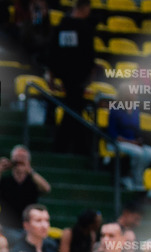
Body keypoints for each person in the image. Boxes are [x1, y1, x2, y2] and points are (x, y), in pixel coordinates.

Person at [49, 0, 95, 152]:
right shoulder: (84, 29)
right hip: (77, 77)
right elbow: (89, 56)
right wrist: (89, 76)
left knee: (74, 109)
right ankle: (64, 146)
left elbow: (53, 53)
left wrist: (52, 75)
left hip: (65, 75)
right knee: (73, 111)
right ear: (85, 8)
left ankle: (72, 146)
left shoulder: (62, 26)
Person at [0, 145, 51, 233]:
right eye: (17, 157)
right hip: (6, 226)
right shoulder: (4, 181)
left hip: (27, 228)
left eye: (23, 157)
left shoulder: (33, 182)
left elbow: (46, 189)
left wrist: (30, 171)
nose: (20, 160)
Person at [108, 88, 151, 192]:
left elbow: (137, 131)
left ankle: (133, 176)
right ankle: (134, 179)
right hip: (118, 142)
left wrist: (139, 141)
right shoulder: (115, 109)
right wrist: (131, 142)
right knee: (137, 153)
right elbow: (112, 133)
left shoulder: (135, 110)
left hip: (133, 142)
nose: (134, 95)